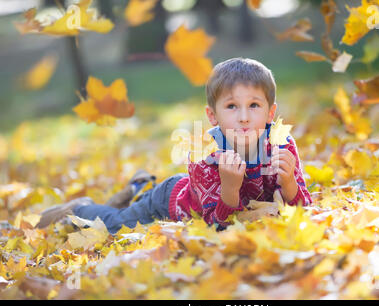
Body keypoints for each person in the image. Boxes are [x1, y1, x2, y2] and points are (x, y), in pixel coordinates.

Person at [36, 57, 312, 233]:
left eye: (254, 105)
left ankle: (139, 185)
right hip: (169, 203)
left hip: (189, 192)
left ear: (270, 113)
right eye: (231, 106)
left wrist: (289, 185)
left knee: (131, 205)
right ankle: (80, 208)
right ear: (212, 116)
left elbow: (303, 209)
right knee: (114, 225)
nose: (243, 116)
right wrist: (230, 188)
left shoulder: (281, 145)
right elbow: (217, 226)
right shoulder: (206, 155)